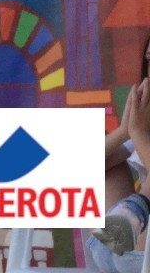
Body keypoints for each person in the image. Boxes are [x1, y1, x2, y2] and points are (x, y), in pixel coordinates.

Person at [89, 35, 150, 272]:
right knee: (98, 147)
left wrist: (138, 132)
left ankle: (134, 209)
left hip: (139, 255)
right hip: (113, 245)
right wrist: (125, 131)